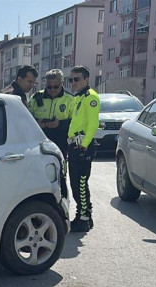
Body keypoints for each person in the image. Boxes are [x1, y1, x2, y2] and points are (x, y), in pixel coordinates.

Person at [28, 68, 74, 197]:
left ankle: (62, 201)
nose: (52, 90)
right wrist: (38, 123)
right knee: (37, 175)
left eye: (56, 87)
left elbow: (75, 123)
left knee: (60, 175)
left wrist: (60, 124)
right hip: (38, 142)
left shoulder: (70, 100)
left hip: (61, 142)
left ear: (62, 84)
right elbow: (26, 118)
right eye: (49, 87)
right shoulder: (36, 98)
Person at [67, 65, 100, 233]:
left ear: (86, 79)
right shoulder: (78, 97)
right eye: (71, 80)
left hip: (82, 146)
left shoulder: (90, 97)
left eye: (77, 79)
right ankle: (84, 216)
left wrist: (84, 146)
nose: (73, 83)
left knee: (80, 183)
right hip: (74, 145)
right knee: (75, 182)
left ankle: (84, 219)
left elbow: (93, 124)